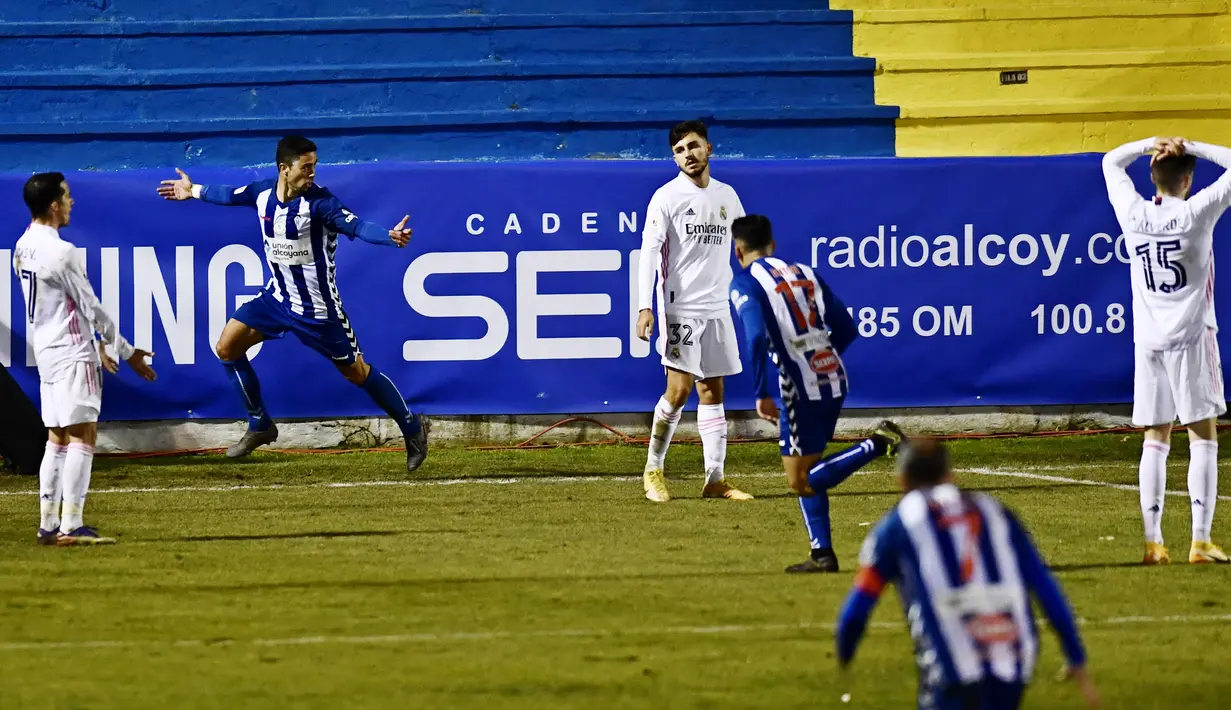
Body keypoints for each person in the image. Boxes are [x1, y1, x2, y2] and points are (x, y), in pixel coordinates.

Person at [157, 136, 429, 471]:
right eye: (306, 167)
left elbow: (357, 226)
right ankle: (260, 424)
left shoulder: (321, 205)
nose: (312, 173)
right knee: (226, 348)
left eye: (314, 166)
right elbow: (228, 195)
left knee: (357, 373)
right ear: (285, 169)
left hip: (318, 311)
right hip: (276, 299)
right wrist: (193, 190)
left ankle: (413, 428)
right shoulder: (262, 194)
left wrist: (387, 235)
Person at [836, 439, 1101, 710]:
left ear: (902, 480)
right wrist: (1075, 654)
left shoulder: (896, 525)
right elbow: (1045, 587)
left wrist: (845, 654)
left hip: (950, 664)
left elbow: (857, 609)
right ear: (950, 475)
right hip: (1012, 657)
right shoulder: (997, 512)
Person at [728, 214, 903, 572]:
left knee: (801, 479)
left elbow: (757, 337)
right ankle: (822, 554)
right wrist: (821, 355)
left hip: (799, 385)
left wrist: (761, 391)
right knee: (811, 466)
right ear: (773, 246)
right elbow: (846, 327)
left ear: (738, 250)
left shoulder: (745, 282)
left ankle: (878, 443)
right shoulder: (805, 272)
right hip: (832, 375)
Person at [1102, 136, 1231, 564]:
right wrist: (1190, 143)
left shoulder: (1134, 212)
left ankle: (1153, 542)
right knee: (1202, 436)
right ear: (1188, 181)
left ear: (1153, 178)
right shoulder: (1196, 212)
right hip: (1193, 339)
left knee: (1155, 438)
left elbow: (1110, 161)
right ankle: (1200, 540)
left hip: (1150, 342)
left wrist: (1147, 144)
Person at [14, 172, 157, 546]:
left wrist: (97, 343)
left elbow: (61, 306)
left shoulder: (22, 245)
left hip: (46, 350)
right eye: (67, 196)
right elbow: (91, 306)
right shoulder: (62, 252)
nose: (72, 201)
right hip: (72, 352)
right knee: (83, 434)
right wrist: (126, 351)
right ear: (54, 206)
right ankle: (71, 525)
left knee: (56, 437)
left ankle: (48, 524)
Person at [635, 119, 752, 503]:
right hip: (678, 308)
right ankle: (653, 469)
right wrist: (644, 307)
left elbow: (743, 248)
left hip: (717, 307)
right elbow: (649, 254)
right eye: (680, 150)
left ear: (709, 149)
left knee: (713, 390)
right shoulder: (666, 198)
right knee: (680, 388)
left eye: (694, 146)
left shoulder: (727, 196)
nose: (688, 154)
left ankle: (715, 479)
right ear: (674, 158)